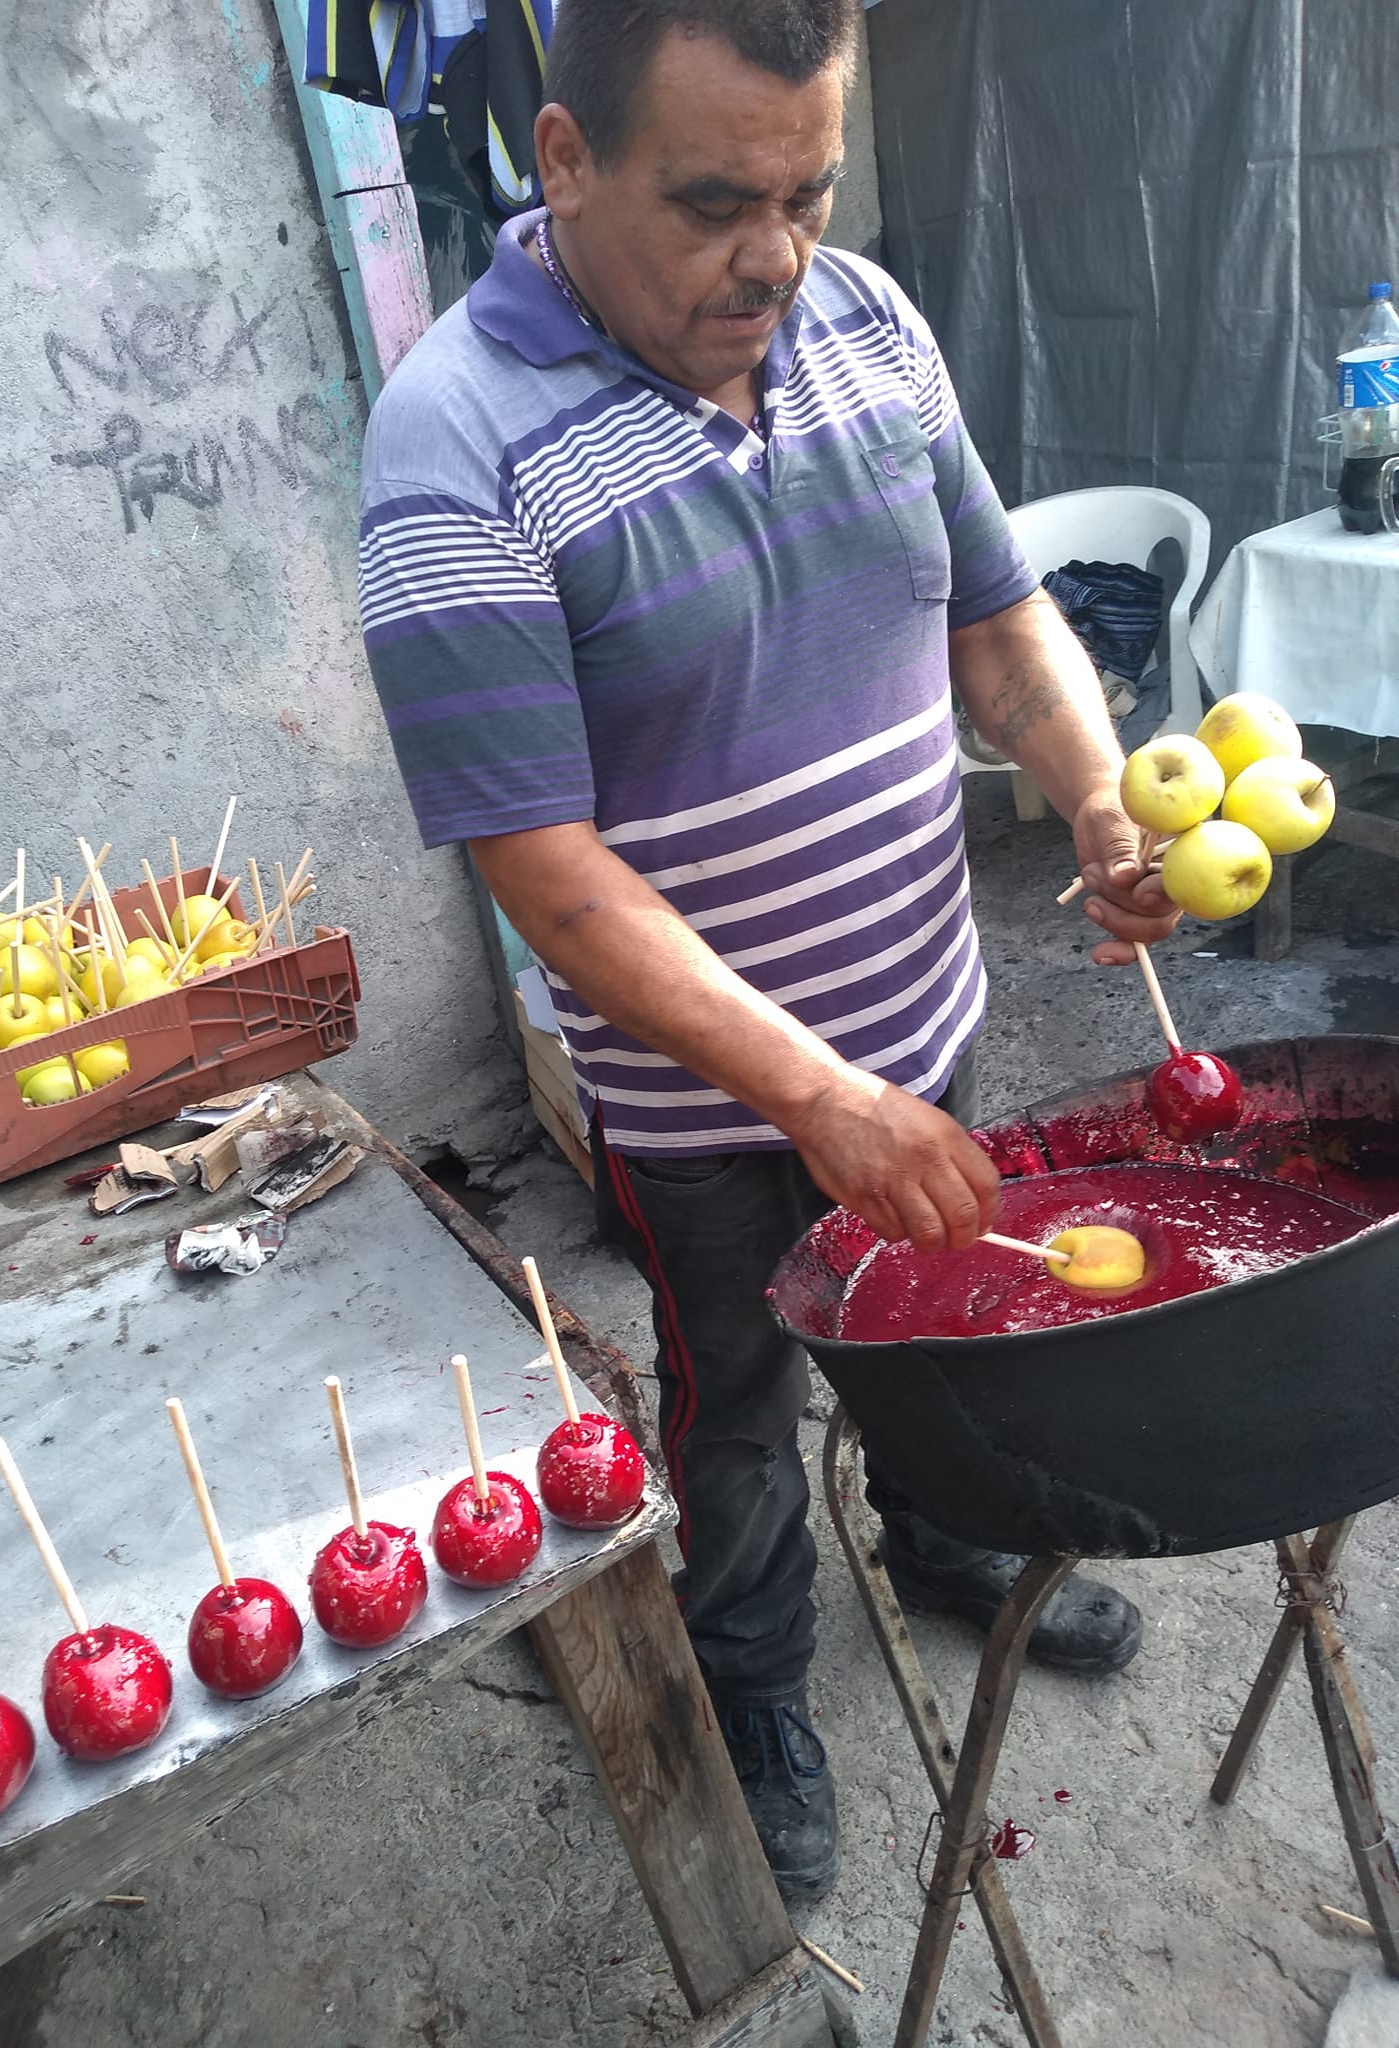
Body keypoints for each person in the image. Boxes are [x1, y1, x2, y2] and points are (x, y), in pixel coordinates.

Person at [357, 0, 1180, 1899]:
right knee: (737, 1409)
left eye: (808, 191)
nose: (778, 257)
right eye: (719, 200)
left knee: (943, 1315)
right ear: (563, 160)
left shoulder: (868, 321)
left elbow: (999, 614)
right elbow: (546, 875)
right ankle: (751, 1681)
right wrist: (818, 1101)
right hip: (709, 1111)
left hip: (928, 1009)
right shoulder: (451, 452)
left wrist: (1099, 792)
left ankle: (950, 1542)